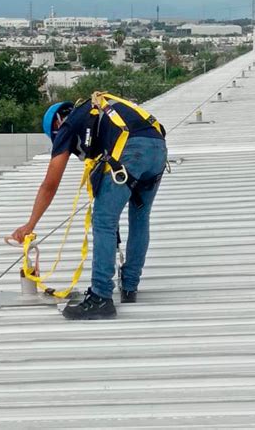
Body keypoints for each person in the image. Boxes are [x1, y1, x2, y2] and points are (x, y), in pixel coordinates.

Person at [11, 93, 167, 320]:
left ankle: (101, 297)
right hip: (158, 149)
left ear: (56, 125)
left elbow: (50, 183)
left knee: (103, 221)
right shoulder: (98, 110)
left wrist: (30, 224)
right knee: (140, 217)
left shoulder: (68, 124)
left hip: (131, 150)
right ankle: (130, 286)